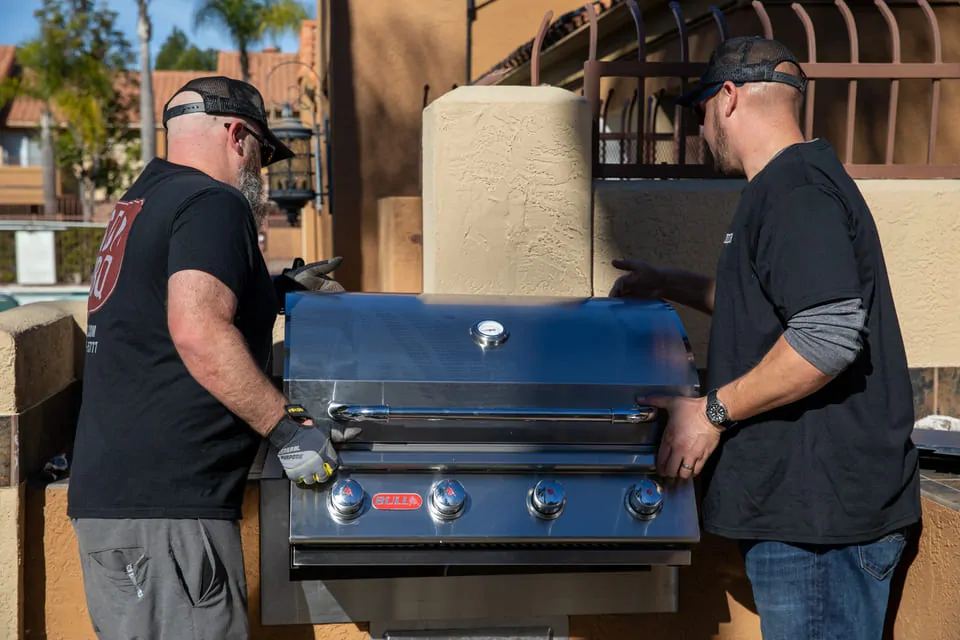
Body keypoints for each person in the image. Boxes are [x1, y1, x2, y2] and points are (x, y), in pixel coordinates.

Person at [611, 37, 921, 640]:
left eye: (699, 110)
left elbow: (824, 339)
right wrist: (668, 282)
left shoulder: (795, 193)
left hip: (821, 530)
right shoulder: (787, 187)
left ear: (728, 98)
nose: (700, 129)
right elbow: (779, 307)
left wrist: (712, 413)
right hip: (813, 519)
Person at [67, 76, 358, 639]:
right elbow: (197, 327)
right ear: (236, 134)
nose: (262, 169)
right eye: (262, 153)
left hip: (123, 503)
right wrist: (288, 430)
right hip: (169, 518)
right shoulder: (213, 202)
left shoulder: (143, 202)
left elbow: (159, 304)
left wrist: (273, 288)